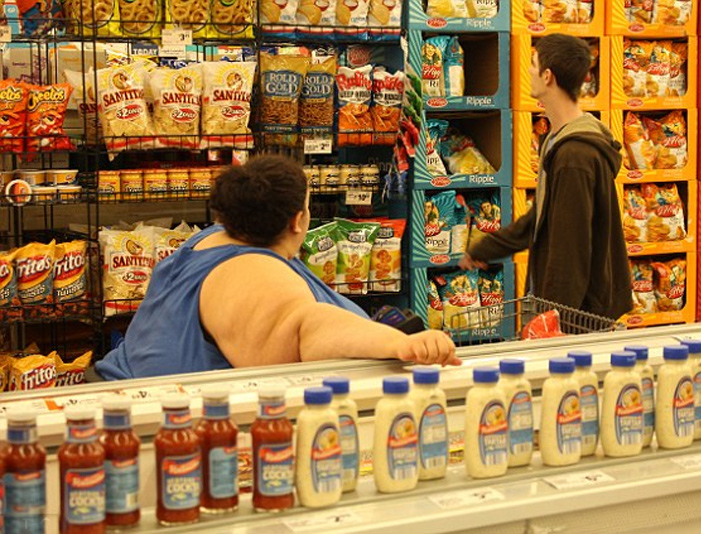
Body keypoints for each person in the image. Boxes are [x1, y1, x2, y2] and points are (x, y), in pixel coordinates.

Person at [96, 156, 459, 380]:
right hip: (167, 430)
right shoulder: (250, 270)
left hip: (132, 399)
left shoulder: (210, 239)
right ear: (298, 221)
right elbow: (306, 329)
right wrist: (401, 344)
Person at [460, 34, 632, 319]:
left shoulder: (574, 156)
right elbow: (541, 219)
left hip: (579, 317)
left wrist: (553, 321)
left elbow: (571, 250)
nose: (528, 70)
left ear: (548, 76)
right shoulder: (557, 140)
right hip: (572, 309)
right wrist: (486, 249)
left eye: (533, 64)